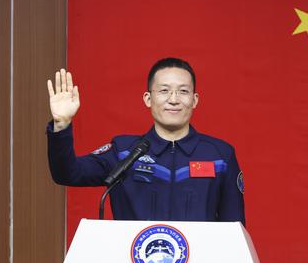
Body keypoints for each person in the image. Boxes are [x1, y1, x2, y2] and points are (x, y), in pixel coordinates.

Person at [46, 58, 245, 223]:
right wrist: (61, 124)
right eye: (164, 91)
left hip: (200, 260)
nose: (173, 99)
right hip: (132, 259)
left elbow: (235, 229)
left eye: (183, 91)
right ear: (148, 99)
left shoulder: (220, 156)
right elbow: (67, 174)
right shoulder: (123, 152)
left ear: (194, 100)